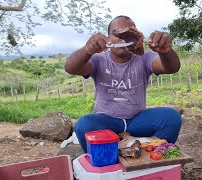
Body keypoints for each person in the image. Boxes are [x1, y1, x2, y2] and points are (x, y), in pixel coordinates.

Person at [65, 15, 182, 153]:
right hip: (106, 121)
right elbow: (71, 68)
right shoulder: (98, 59)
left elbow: (171, 67)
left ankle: (151, 156)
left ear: (136, 37)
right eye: (117, 33)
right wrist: (87, 50)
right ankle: (106, 162)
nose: (122, 38)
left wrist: (166, 52)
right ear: (107, 38)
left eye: (128, 34)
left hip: (137, 120)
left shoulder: (144, 57)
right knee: (83, 125)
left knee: (171, 118)